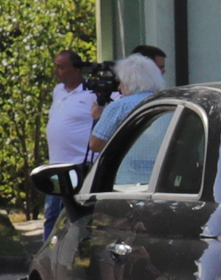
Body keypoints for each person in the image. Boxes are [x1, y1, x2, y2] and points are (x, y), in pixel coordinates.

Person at [41, 49, 98, 228]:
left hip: (80, 164)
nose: (56, 71)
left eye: (61, 67)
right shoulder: (58, 90)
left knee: (77, 214)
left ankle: (76, 251)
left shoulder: (92, 92)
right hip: (56, 164)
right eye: (56, 67)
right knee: (52, 213)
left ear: (76, 70)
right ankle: (48, 253)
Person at [89, 49, 168, 155]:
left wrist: (100, 119)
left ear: (129, 81)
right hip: (162, 168)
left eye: (121, 81)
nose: (119, 86)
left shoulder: (120, 106)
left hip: (129, 168)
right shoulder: (166, 102)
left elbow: (95, 145)